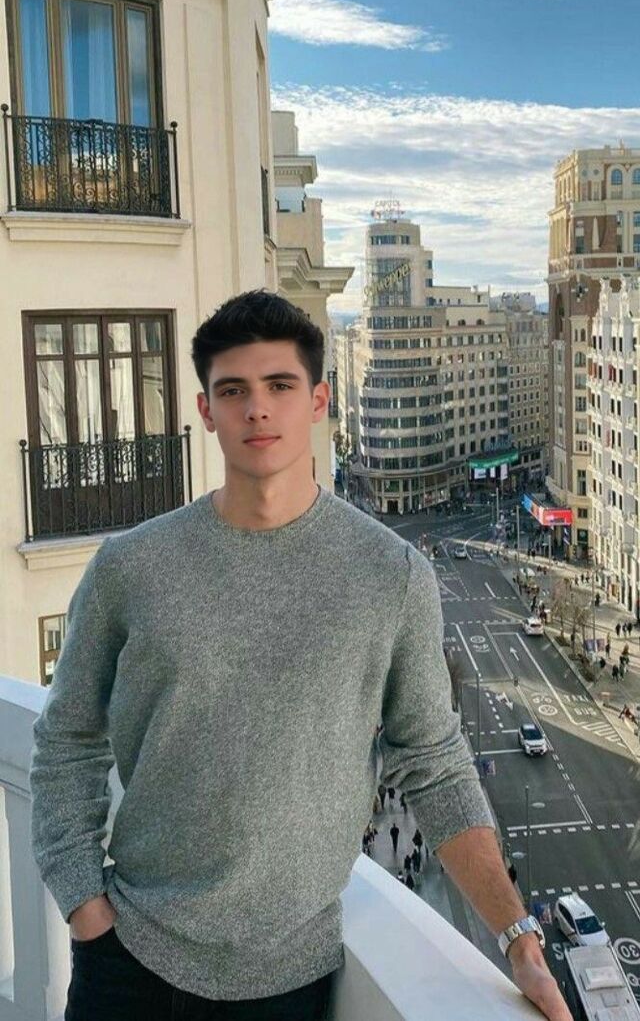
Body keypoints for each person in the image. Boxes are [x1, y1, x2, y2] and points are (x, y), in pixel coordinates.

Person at [29, 290, 570, 1021]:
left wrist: (518, 939)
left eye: (279, 385)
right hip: (127, 963)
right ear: (206, 410)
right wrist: (83, 903)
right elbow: (67, 737)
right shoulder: (130, 566)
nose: (257, 409)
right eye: (234, 391)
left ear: (318, 401)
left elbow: (434, 761)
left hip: (290, 982)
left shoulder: (391, 575)